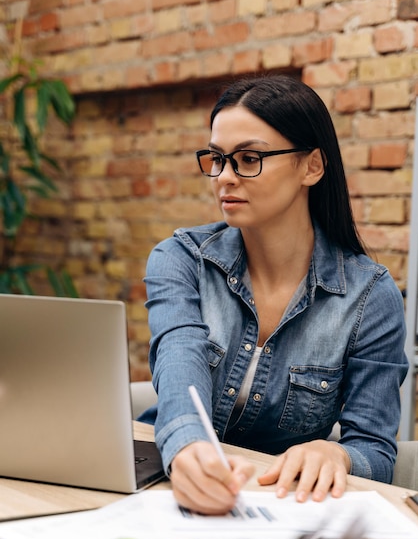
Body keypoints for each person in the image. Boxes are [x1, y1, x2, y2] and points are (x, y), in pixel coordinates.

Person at [143, 74, 408, 515]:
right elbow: (178, 361)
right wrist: (188, 447)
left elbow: (375, 448)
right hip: (166, 484)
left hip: (281, 506)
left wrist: (336, 454)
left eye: (249, 158)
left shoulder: (369, 297)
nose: (224, 177)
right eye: (216, 158)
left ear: (312, 166)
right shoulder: (181, 259)